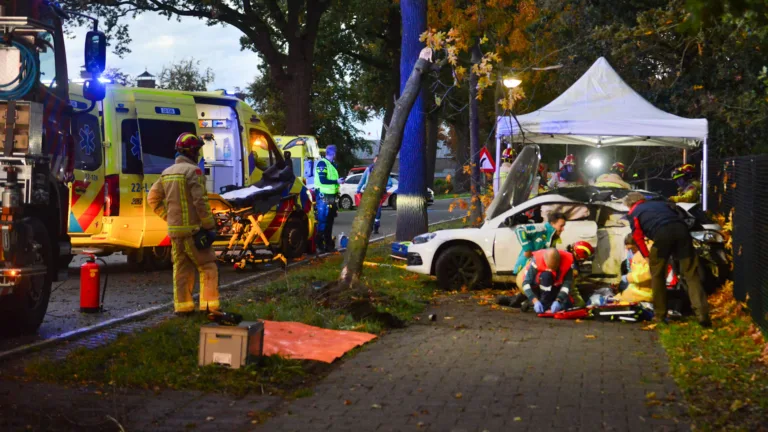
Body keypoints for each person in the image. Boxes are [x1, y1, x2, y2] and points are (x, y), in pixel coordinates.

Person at [147, 133, 219, 315]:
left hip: (175, 233)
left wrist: (169, 218)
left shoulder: (167, 173)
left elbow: (152, 199)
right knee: (208, 267)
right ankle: (209, 308)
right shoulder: (193, 172)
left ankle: (183, 308)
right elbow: (200, 202)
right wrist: (210, 226)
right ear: (193, 152)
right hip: (194, 231)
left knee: (181, 271)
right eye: (198, 150)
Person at [624, 192, 711, 326]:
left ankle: (659, 316)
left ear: (630, 204)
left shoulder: (634, 212)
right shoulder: (661, 204)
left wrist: (646, 256)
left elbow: (637, 236)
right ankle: (702, 314)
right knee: (691, 274)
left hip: (661, 235)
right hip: (682, 231)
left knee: (657, 276)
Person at [520, 248, 575, 314]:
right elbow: (526, 283)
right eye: (550, 268)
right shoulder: (536, 260)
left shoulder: (567, 261)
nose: (552, 271)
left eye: (555, 268)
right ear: (545, 261)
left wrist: (558, 300)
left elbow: (567, 283)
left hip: (555, 286)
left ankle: (548, 303)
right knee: (546, 276)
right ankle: (540, 302)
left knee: (567, 304)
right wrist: (535, 300)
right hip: (539, 286)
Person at [315, 145, 344, 252]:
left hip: (331, 196)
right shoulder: (322, 163)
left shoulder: (332, 165)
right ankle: (319, 245)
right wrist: (337, 182)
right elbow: (322, 180)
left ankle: (328, 245)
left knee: (330, 221)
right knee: (323, 221)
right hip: (323, 196)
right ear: (334, 153)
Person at [357, 156, 393, 234]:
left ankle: (376, 226)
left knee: (378, 211)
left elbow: (390, 183)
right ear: (373, 160)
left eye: (379, 160)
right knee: (368, 210)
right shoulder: (368, 169)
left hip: (379, 193)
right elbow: (363, 180)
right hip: (368, 192)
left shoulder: (384, 170)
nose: (377, 162)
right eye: (376, 160)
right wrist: (358, 189)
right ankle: (368, 227)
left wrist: (383, 186)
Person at [615, 234, 653, 303]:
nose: (630, 251)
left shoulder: (647, 253)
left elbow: (648, 274)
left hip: (644, 293)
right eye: (628, 249)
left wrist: (628, 278)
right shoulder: (636, 254)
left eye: (632, 248)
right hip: (637, 289)